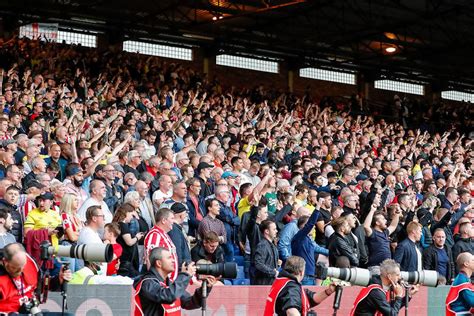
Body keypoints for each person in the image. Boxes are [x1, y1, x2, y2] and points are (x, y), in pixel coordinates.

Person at [133, 247, 216, 316]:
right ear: (159, 263)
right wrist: (185, 275)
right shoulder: (147, 283)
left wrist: (205, 288)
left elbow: (190, 303)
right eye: (169, 258)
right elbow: (168, 296)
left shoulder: (169, 283)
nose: (173, 260)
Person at [0, 243, 72, 314]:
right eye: (15, 268)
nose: (20, 271)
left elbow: (41, 286)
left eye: (23, 266)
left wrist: (59, 280)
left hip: (32, 310)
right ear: (5, 262)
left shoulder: (30, 263)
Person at [263, 255, 336, 316]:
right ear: (301, 272)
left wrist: (328, 291)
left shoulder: (282, 282)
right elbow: (291, 311)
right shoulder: (291, 287)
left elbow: (311, 298)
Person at [350, 258, 419, 315]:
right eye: (397, 275)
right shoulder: (376, 291)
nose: (399, 277)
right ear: (389, 276)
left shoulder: (381, 287)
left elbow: (391, 308)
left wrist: (408, 295)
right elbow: (392, 314)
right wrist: (399, 296)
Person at [143, 208, 178, 280]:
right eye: (172, 218)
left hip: (168, 282)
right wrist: (158, 281)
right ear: (163, 220)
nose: (173, 221)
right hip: (162, 284)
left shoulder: (163, 234)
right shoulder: (155, 235)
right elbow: (151, 259)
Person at [252, 220, 279, 285]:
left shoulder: (272, 245)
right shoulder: (262, 245)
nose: (276, 231)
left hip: (270, 282)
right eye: (274, 229)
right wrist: (273, 272)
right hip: (263, 284)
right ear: (266, 231)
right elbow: (258, 264)